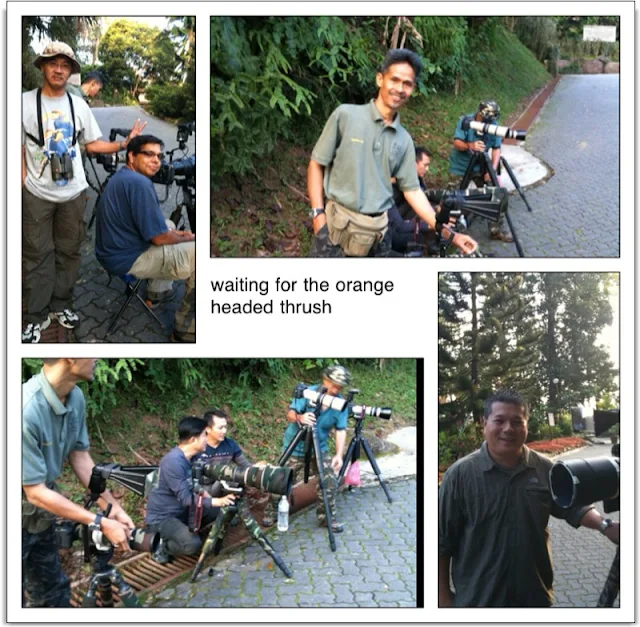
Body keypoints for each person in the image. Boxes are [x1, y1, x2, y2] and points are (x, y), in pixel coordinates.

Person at [438, 389, 620, 608]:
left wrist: (605, 525)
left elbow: (574, 507)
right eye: (500, 420)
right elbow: (441, 543)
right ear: (484, 424)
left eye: (517, 421)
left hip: (533, 597)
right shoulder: (459, 476)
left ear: (527, 425)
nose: (508, 429)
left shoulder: (544, 468)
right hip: (478, 600)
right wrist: (443, 598)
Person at [22, 42, 147, 343]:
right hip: (36, 194)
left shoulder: (78, 105)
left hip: (74, 194)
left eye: (65, 64)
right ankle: (35, 317)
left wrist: (124, 144)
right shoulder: (22, 103)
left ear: (71, 71)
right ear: (43, 66)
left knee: (69, 253)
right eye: (53, 63)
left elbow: (92, 144)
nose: (59, 69)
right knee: (37, 256)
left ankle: (61, 306)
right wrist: (20, 185)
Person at [307, 48, 477, 258]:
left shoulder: (404, 140)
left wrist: (451, 234)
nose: (400, 88)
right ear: (380, 79)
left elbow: (413, 192)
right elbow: (316, 164)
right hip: (335, 233)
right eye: (394, 80)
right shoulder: (346, 116)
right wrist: (318, 216)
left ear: (413, 89)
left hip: (378, 237)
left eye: (407, 83)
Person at [22, 359, 135, 607]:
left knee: (51, 591)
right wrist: (98, 521)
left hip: (39, 515)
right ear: (69, 358)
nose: (97, 359)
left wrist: (112, 508)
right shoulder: (24, 411)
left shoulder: (75, 398)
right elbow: (34, 492)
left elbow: (80, 458)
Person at [94, 134, 196, 342]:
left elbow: (159, 230)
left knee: (169, 225)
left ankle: (157, 293)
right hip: (126, 259)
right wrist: (188, 240)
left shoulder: (123, 176)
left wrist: (177, 235)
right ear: (131, 156)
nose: (156, 160)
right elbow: (158, 239)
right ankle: (185, 331)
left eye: (158, 156)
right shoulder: (140, 184)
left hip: (112, 251)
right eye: (149, 154)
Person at [262, 365, 351, 532]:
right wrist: (300, 417)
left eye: (339, 386)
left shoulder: (340, 404)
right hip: (296, 444)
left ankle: (326, 517)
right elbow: (290, 414)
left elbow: (341, 430)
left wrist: (338, 454)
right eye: (333, 384)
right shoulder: (308, 392)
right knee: (281, 479)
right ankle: (272, 511)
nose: (335, 389)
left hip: (319, 446)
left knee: (329, 480)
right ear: (325, 380)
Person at [145, 416, 236, 563]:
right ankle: (161, 545)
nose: (207, 439)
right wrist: (215, 501)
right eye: (204, 436)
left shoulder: (194, 457)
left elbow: (195, 483)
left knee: (226, 511)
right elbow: (186, 498)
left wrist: (207, 495)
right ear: (193, 440)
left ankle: (187, 531)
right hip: (164, 517)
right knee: (192, 545)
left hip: (184, 510)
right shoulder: (173, 462)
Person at [448, 99, 512, 242]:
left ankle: (496, 229)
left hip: (481, 166)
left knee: (497, 193)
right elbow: (456, 143)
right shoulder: (466, 122)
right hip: (461, 166)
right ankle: (451, 231)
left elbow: (496, 148)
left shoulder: (493, 126)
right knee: (453, 197)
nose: (490, 122)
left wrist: (493, 170)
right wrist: (470, 145)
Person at [389, 146, 433, 254]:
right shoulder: (387, 186)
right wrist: (429, 224)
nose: (427, 169)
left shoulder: (415, 178)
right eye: (425, 165)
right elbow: (399, 226)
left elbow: (422, 196)